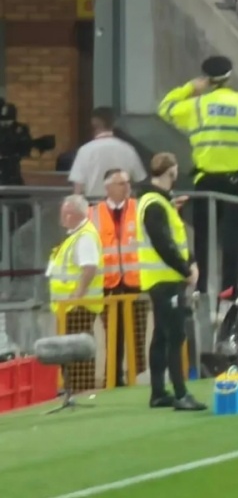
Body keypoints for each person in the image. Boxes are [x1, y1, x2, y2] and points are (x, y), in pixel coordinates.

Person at [157, 56, 238, 300]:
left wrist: (189, 88)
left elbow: (165, 108)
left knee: (203, 236)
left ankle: (201, 287)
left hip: (205, 180)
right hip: (236, 181)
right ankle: (229, 287)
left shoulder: (197, 105)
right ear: (229, 77)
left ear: (207, 79)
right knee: (233, 235)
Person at [136, 153, 206, 411]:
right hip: (165, 278)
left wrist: (190, 262)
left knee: (161, 336)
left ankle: (158, 393)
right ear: (172, 171)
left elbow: (175, 239)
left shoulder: (156, 202)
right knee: (175, 335)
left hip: (160, 278)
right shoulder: (155, 204)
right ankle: (180, 393)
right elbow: (164, 243)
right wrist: (186, 269)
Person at [88, 169, 142, 387]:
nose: (126, 186)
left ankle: (137, 375)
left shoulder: (138, 208)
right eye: (121, 183)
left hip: (135, 282)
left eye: (127, 182)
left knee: (137, 332)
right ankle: (114, 376)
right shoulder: (93, 213)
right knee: (112, 333)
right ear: (108, 187)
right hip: (108, 283)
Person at [46, 194, 104, 391]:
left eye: (67, 213)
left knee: (78, 350)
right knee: (70, 350)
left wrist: (77, 295)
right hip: (69, 306)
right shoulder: (76, 235)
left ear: (76, 214)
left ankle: (81, 389)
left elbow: (89, 268)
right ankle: (74, 388)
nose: (63, 217)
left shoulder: (85, 237)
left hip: (78, 307)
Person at [68, 107, 147, 199]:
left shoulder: (85, 151)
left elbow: (78, 187)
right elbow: (138, 181)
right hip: (123, 204)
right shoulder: (128, 149)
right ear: (113, 123)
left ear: (93, 124)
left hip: (94, 204)